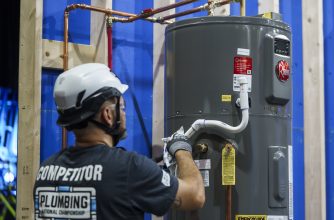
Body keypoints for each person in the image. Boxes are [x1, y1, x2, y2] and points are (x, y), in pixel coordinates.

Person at [33, 63, 205, 219]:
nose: (123, 114)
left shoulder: (46, 170)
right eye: (121, 107)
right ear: (107, 114)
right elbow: (195, 195)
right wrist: (181, 148)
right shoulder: (129, 168)